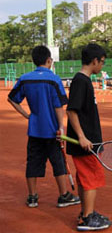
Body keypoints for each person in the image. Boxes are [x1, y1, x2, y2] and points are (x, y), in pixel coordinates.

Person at [7, 45, 80, 210]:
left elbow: (12, 99)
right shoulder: (53, 79)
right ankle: (64, 195)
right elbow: (58, 106)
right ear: (49, 60)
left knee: (32, 162)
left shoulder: (25, 78)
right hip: (52, 130)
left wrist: (26, 115)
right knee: (58, 162)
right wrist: (61, 127)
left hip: (34, 130)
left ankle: (32, 197)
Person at [66, 43, 111, 232]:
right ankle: (86, 218)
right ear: (94, 61)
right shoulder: (81, 81)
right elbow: (72, 112)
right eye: (101, 62)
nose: (102, 65)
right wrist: (83, 137)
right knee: (91, 179)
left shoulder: (84, 81)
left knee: (86, 180)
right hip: (85, 144)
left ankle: (87, 212)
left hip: (89, 142)